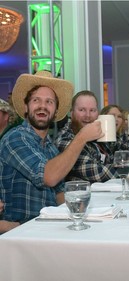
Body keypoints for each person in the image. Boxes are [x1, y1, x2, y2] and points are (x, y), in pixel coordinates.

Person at [0, 71, 103, 227]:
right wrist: (81, 138)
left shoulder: (49, 146)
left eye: (49, 102)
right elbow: (48, 177)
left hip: (46, 227)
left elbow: (59, 193)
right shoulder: (15, 138)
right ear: (26, 107)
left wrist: (84, 213)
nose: (42, 106)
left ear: (55, 112)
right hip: (19, 233)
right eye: (36, 100)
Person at [55, 91, 129, 183]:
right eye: (82, 110)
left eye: (92, 110)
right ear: (71, 114)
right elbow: (96, 172)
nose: (87, 115)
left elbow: (119, 149)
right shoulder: (66, 138)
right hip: (82, 197)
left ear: (97, 114)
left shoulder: (97, 135)